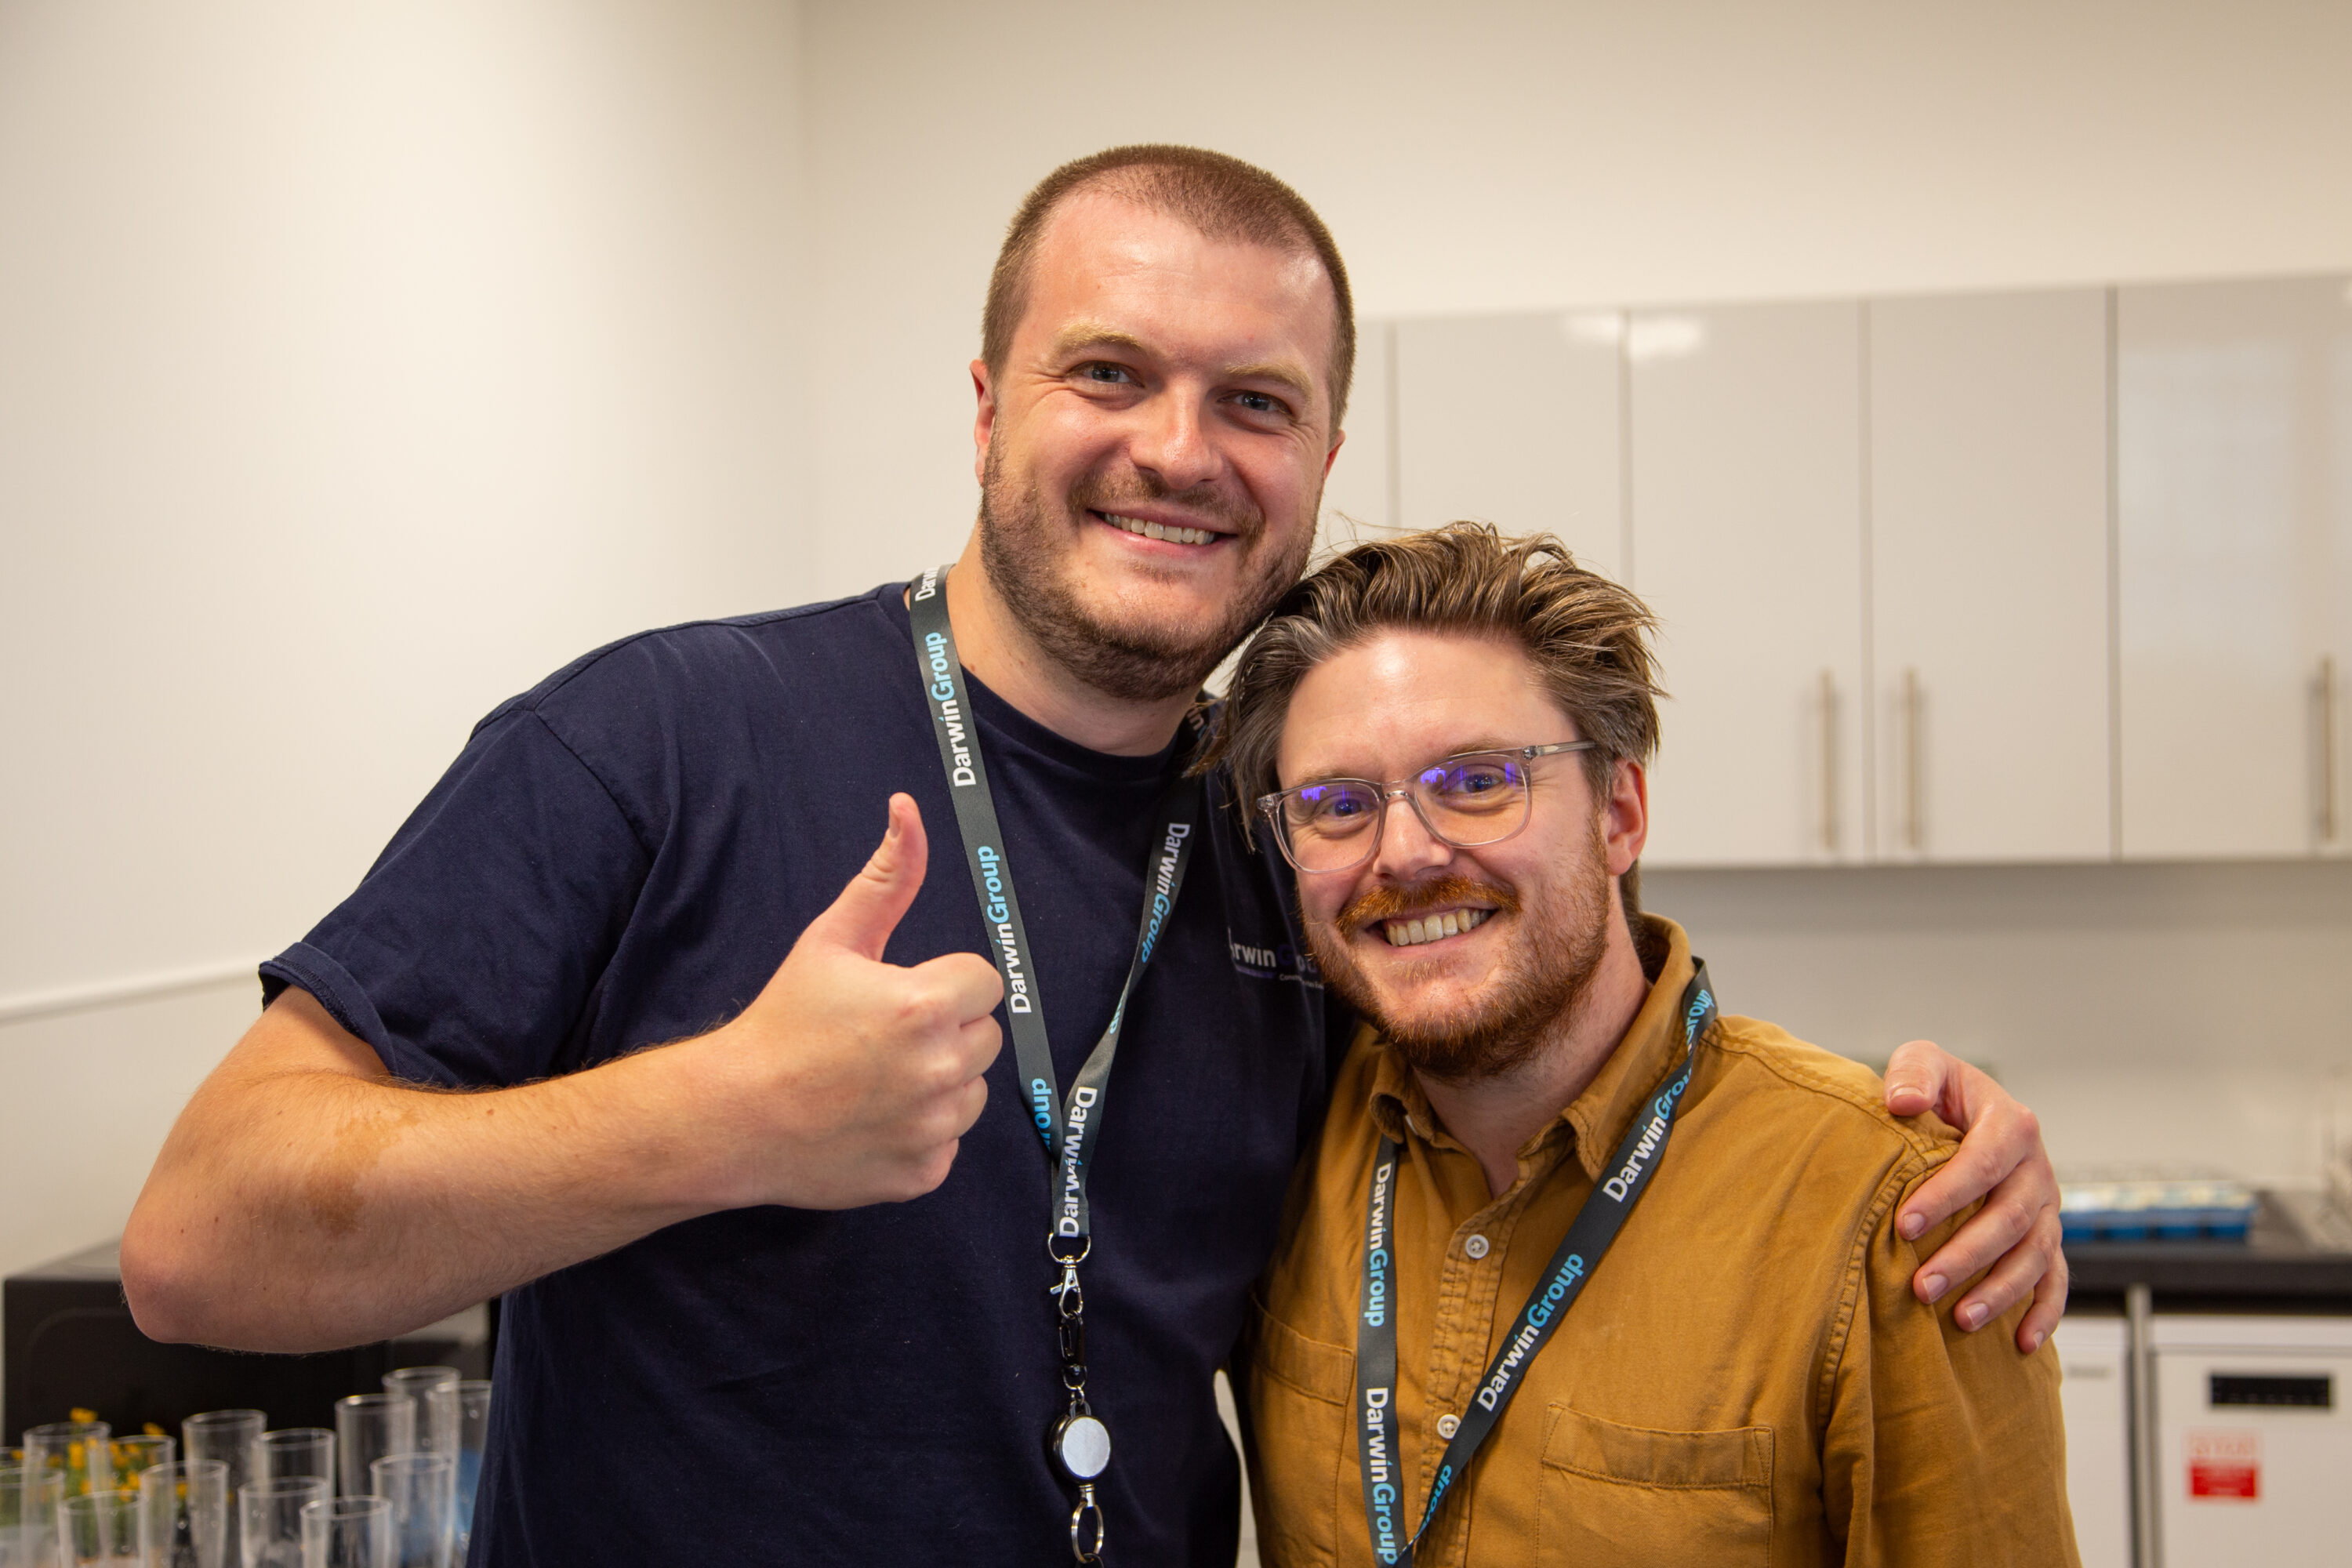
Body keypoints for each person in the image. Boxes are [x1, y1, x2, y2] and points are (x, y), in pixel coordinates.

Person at [120, 147, 2064, 1565]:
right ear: (986, 411)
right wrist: (719, 1121)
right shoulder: (660, 738)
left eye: (1258, 404)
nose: (1181, 448)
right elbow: (200, 1241)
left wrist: (1907, 1144)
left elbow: (1543, 1054)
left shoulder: (1292, 845)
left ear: (1317, 465)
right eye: (1109, 372)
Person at [1216, 523, 2077, 1566]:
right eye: (1338, 805)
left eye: (1478, 781)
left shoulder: (1889, 1216)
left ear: (1620, 812)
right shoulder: (1278, 1136)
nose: (1403, 852)